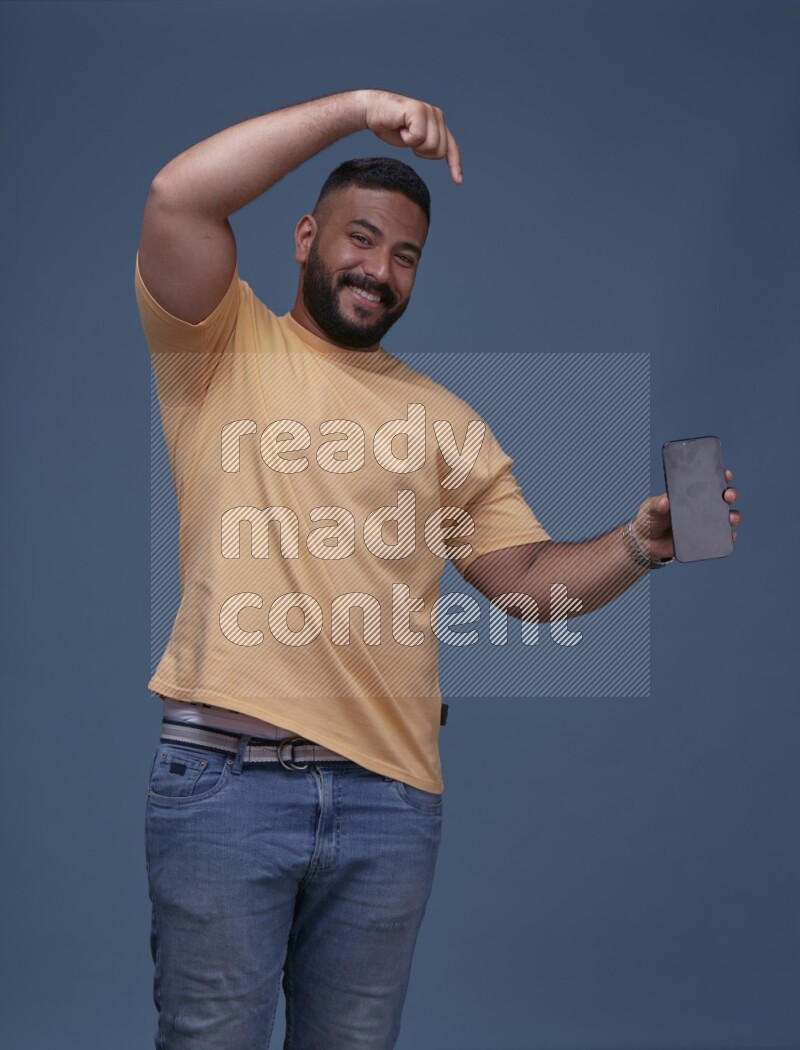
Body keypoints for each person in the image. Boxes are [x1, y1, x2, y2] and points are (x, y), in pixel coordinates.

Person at [135, 89, 742, 1050]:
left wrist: (639, 545)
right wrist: (356, 108)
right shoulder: (221, 345)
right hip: (227, 784)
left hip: (389, 805)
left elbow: (526, 580)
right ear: (305, 236)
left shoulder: (446, 421)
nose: (378, 269)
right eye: (359, 239)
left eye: (404, 254)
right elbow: (178, 196)